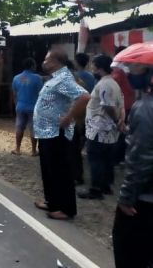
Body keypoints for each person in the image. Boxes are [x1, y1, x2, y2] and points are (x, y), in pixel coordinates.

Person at [33, 48, 90, 220]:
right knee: (49, 170)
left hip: (56, 133)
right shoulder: (56, 78)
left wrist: (68, 117)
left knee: (60, 171)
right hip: (46, 132)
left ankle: (65, 209)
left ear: (55, 61)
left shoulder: (64, 78)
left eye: (46, 59)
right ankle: (52, 201)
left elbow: (84, 97)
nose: (44, 62)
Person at [112, 63, 153, 268]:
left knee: (130, 259)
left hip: (143, 204)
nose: (131, 74)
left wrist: (127, 198)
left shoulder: (145, 106)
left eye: (138, 70)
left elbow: (142, 159)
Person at [78, 55, 124, 200]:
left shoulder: (104, 84)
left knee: (96, 159)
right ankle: (105, 185)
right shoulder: (113, 83)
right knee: (106, 159)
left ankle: (96, 189)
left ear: (99, 67)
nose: (92, 67)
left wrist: (117, 119)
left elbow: (107, 105)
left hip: (100, 127)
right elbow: (119, 104)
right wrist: (120, 120)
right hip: (107, 129)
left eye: (94, 65)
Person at [11, 57, 43, 156]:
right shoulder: (37, 78)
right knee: (33, 129)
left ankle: (17, 149)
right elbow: (41, 93)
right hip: (33, 108)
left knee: (19, 127)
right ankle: (33, 151)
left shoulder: (16, 78)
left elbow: (14, 94)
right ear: (32, 66)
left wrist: (16, 105)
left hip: (20, 106)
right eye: (35, 65)